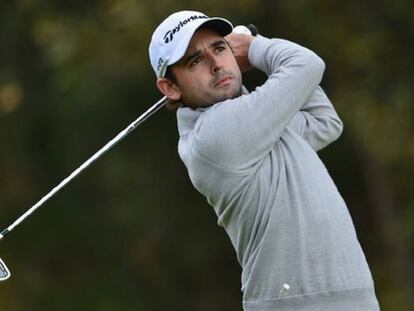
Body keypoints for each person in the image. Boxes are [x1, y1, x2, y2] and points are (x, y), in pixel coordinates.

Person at [149, 10, 380, 310]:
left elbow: (323, 121)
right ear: (170, 88)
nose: (216, 65)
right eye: (195, 61)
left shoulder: (256, 122)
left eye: (219, 48)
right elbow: (307, 65)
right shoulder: (214, 137)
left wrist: (251, 47)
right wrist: (255, 47)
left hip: (353, 298)